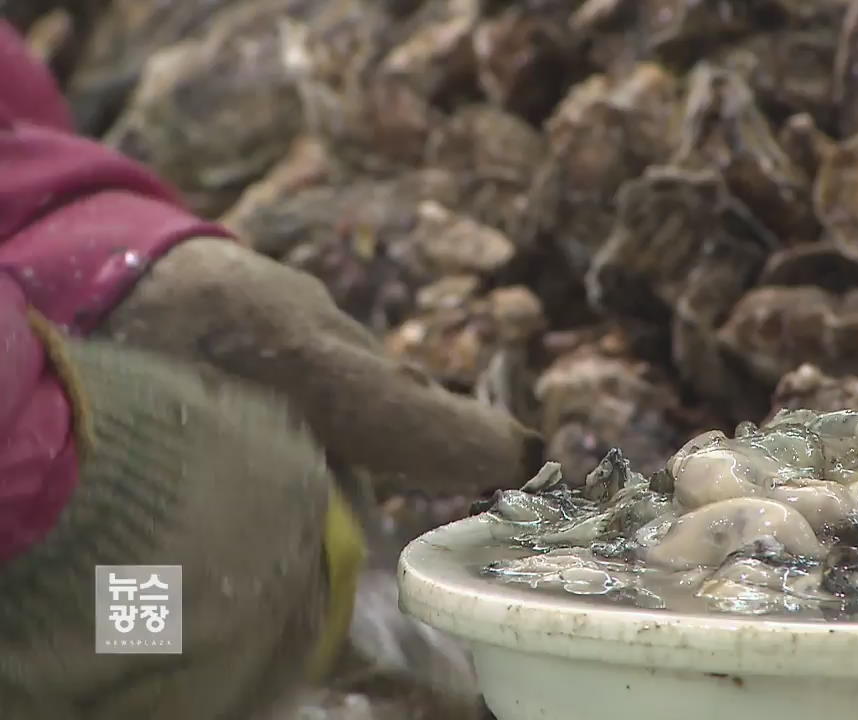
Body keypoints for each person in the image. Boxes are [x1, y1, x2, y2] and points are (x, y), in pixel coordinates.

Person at [0, 20, 542, 719]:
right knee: (157, 615)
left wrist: (70, 253)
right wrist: (65, 500)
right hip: (109, 538)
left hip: (148, 487)